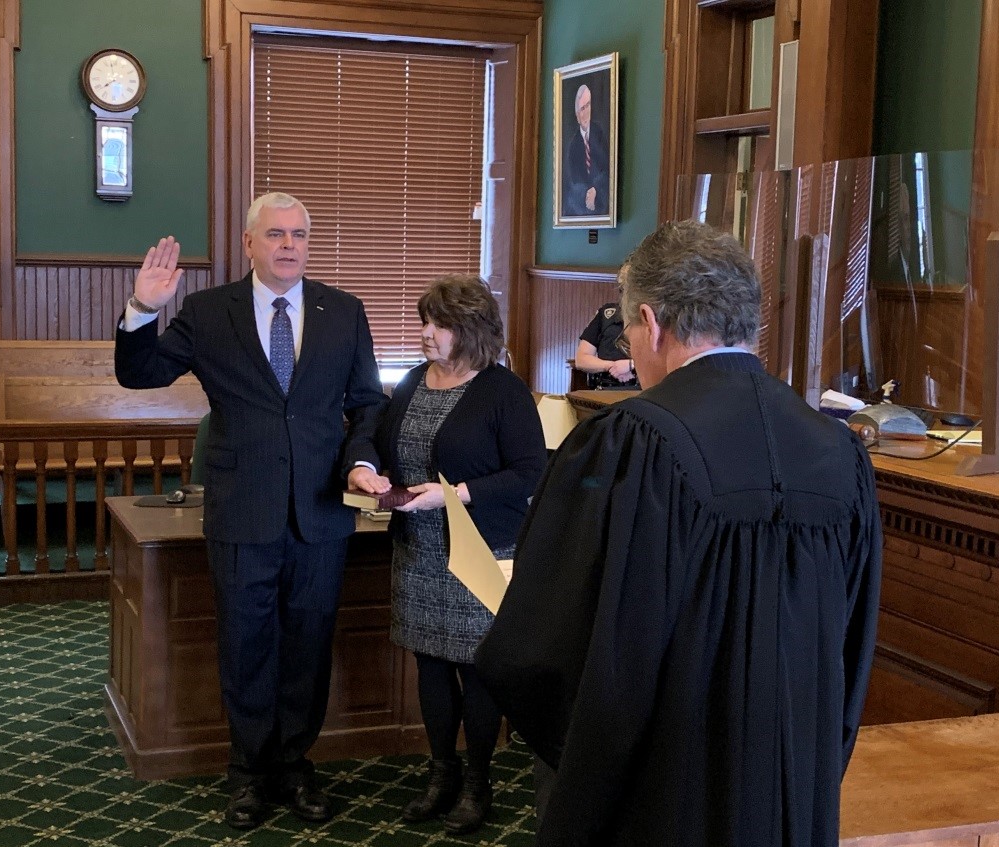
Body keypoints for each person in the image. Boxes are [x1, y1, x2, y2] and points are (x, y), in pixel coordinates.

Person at [476, 220, 882, 846]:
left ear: (651, 321)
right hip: (792, 788)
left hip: (661, 794)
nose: (633, 349)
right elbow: (851, 649)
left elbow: (553, 642)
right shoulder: (839, 452)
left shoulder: (632, 441)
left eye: (631, 334)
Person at [114, 192, 388, 830]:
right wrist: (143, 309)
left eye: (299, 234)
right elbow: (140, 374)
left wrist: (363, 462)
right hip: (243, 512)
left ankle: (295, 767)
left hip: (321, 514)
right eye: (275, 234)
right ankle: (247, 775)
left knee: (308, 646)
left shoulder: (344, 312)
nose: (289, 245)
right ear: (248, 243)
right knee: (245, 647)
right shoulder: (211, 313)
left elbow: (368, 403)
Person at [348, 274, 547, 835]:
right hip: (419, 550)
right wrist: (372, 471)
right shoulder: (412, 383)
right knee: (430, 667)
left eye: (439, 325)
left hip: (480, 551)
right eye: (424, 322)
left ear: (472, 331)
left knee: (475, 671)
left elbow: (531, 472)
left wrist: (456, 493)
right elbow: (382, 443)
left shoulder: (503, 390)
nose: (426, 334)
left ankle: (479, 783)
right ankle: (442, 775)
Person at [574, 266, 638, 389]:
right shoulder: (607, 314)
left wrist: (631, 365)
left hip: (640, 390)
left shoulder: (654, 319)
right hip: (604, 387)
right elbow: (581, 359)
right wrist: (612, 366)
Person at [562, 83, 609, 217]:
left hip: (601, 196)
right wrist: (588, 194)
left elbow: (608, 170)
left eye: (588, 105)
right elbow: (574, 182)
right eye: (582, 108)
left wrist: (596, 189)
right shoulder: (573, 146)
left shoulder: (600, 133)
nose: (586, 112)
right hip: (582, 204)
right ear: (577, 115)